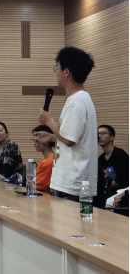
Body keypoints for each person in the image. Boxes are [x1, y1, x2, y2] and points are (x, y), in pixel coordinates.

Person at [34, 46, 97, 202]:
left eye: (57, 68)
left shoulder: (77, 101)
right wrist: (51, 137)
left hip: (72, 183)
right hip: (72, 182)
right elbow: (74, 138)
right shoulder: (79, 99)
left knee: (70, 219)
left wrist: (49, 121)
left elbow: (69, 140)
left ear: (66, 72)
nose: (56, 72)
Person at [98, 124, 129, 196]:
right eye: (98, 134)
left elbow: (121, 181)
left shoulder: (120, 155)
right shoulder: (101, 158)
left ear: (112, 137)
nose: (99, 136)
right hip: (107, 192)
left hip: (121, 193)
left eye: (103, 133)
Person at [32, 125, 55, 194]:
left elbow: (39, 186)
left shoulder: (50, 161)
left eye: (37, 141)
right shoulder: (44, 160)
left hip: (43, 197)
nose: (34, 144)